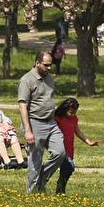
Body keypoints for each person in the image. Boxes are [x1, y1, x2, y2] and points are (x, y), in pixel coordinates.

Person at [18, 52, 63, 193]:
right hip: (34, 123)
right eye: (46, 65)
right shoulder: (27, 80)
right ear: (37, 63)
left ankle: (41, 181)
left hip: (51, 122)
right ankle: (31, 194)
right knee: (35, 162)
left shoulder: (50, 78)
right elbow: (22, 106)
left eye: (51, 65)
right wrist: (28, 130)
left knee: (59, 153)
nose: (49, 68)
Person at [52, 97, 99, 195]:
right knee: (70, 166)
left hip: (70, 149)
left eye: (74, 112)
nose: (72, 114)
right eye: (70, 112)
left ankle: (60, 190)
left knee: (66, 170)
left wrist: (89, 142)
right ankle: (59, 188)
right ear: (65, 109)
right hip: (60, 149)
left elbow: (78, 132)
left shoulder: (74, 119)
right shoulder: (57, 118)